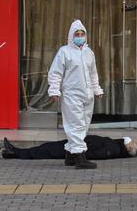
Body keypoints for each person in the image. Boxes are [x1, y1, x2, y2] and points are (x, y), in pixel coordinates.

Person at [48, 20, 103, 169]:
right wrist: (54, 90)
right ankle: (80, 158)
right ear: (71, 36)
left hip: (88, 95)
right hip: (72, 95)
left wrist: (96, 89)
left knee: (83, 125)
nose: (79, 36)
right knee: (76, 125)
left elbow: (93, 74)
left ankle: (70, 155)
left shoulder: (89, 53)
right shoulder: (64, 52)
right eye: (76, 34)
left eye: (82, 34)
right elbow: (56, 73)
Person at [1, 135, 137, 161]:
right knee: (47, 148)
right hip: (75, 143)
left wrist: (78, 149)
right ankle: (13, 152)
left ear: (128, 148)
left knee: (46, 150)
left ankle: (15, 152)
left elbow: (96, 154)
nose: (133, 141)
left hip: (75, 147)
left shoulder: (114, 149)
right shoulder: (115, 145)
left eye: (133, 143)